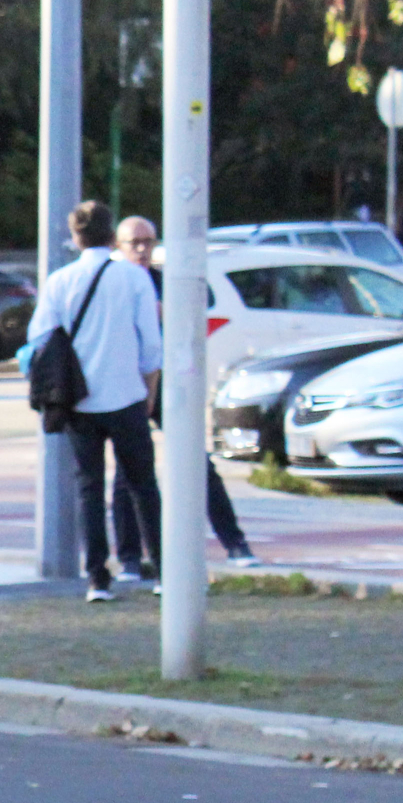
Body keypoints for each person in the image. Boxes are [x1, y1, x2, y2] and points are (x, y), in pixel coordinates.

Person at [27, 199, 162, 602]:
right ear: (111, 236)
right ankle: (161, 571)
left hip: (79, 401)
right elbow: (151, 347)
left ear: (75, 236)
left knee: (89, 487)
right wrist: (148, 391)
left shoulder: (61, 281)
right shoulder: (134, 279)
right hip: (126, 396)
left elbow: (40, 337)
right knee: (143, 485)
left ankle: (97, 578)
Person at [109, 216, 259, 575]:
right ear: (119, 246)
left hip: (167, 385)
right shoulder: (115, 287)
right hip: (128, 386)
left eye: (148, 241)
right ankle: (130, 557)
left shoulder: (166, 285)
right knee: (128, 471)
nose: (143, 250)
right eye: (134, 243)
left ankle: (235, 542)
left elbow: (189, 329)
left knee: (197, 462)